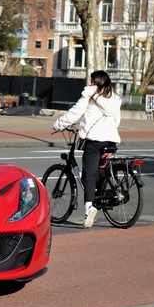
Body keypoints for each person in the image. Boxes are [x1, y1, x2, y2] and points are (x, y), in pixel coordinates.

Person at [53, 70, 122, 229]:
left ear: (95, 82)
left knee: (88, 176)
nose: (89, 83)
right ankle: (103, 195)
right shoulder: (114, 98)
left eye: (92, 80)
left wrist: (58, 125)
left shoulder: (89, 95)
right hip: (111, 140)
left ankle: (89, 209)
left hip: (94, 141)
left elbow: (74, 114)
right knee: (100, 170)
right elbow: (116, 121)